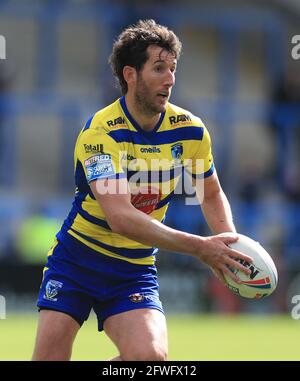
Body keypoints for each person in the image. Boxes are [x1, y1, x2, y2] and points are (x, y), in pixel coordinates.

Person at [32, 19, 253, 361]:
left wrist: (227, 246)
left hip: (133, 269)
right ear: (130, 74)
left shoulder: (190, 132)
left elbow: (209, 193)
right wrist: (200, 248)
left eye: (173, 69)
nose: (170, 79)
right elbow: (121, 217)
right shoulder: (101, 133)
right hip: (77, 261)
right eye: (159, 68)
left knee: (150, 361)